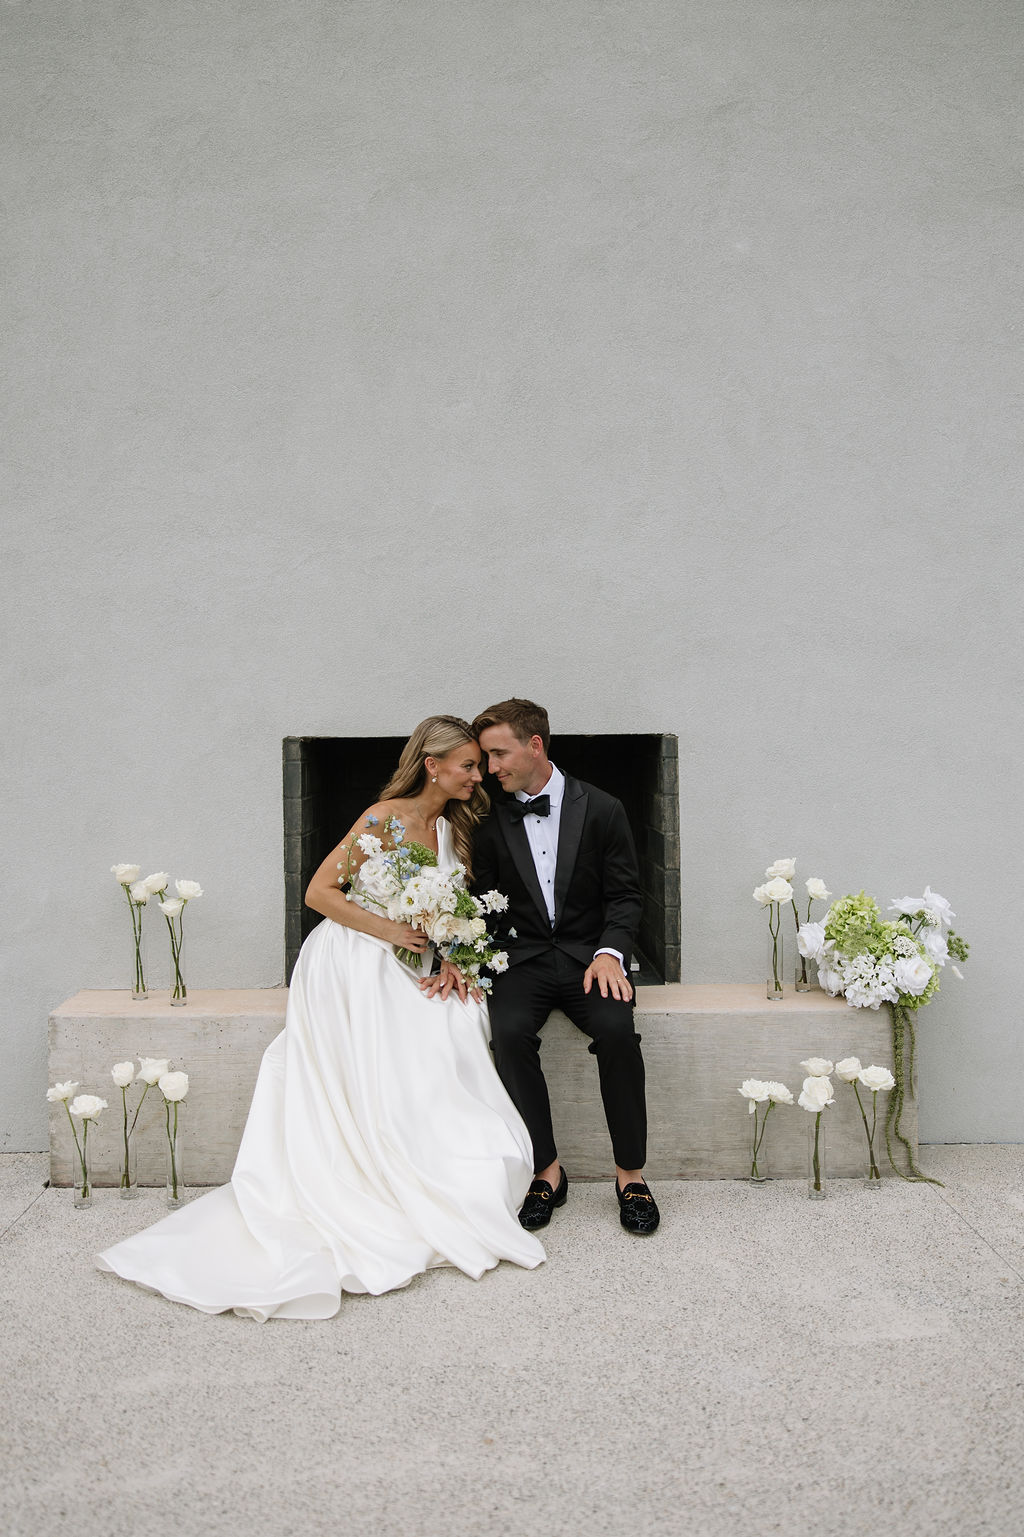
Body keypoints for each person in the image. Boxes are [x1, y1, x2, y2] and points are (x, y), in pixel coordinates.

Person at [97, 717, 544, 1320]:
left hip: (417, 956)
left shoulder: (457, 825)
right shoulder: (382, 816)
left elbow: (458, 910)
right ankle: (380, 1163)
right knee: (418, 1031)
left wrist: (457, 956)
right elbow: (320, 892)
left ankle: (444, 1161)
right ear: (432, 765)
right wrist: (393, 931)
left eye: (478, 764)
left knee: (460, 1023)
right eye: (467, 765)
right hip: (355, 955)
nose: (478, 775)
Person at [466, 698, 659, 1235]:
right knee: (505, 1035)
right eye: (485, 758)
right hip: (521, 959)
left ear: (535, 746)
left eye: (498, 754)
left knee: (619, 1032)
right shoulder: (485, 818)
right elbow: (477, 899)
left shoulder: (602, 808)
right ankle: (547, 1170)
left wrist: (609, 952)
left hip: (588, 958)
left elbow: (625, 895)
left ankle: (631, 1174)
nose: (491, 768)